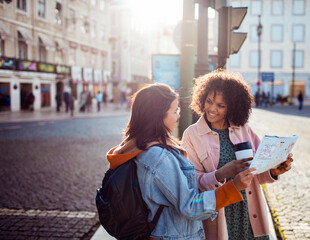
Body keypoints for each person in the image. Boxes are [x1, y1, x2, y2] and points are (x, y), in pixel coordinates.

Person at [106, 83, 256, 239]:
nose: (178, 115)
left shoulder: (138, 144)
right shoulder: (158, 157)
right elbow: (190, 206)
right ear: (158, 115)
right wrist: (234, 187)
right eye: (175, 110)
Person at [181, 70, 294, 240]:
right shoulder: (192, 135)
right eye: (209, 101)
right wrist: (221, 173)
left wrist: (274, 171)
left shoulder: (243, 129)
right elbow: (191, 183)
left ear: (232, 107)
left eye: (221, 105)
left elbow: (257, 172)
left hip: (249, 212)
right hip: (218, 214)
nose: (212, 109)